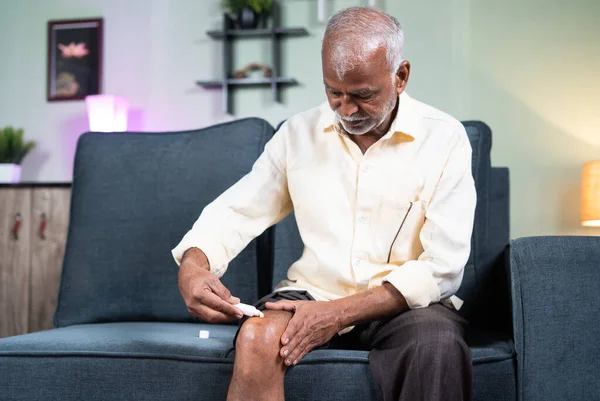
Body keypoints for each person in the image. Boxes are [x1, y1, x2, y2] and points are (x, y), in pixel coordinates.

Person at [173, 6, 476, 401]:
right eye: (334, 92)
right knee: (260, 334)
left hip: (406, 307)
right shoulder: (297, 135)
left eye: (363, 95)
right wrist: (193, 268)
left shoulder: (445, 139)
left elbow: (443, 268)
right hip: (313, 293)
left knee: (435, 345)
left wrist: (338, 315)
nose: (346, 110)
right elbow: (235, 211)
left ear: (400, 76)